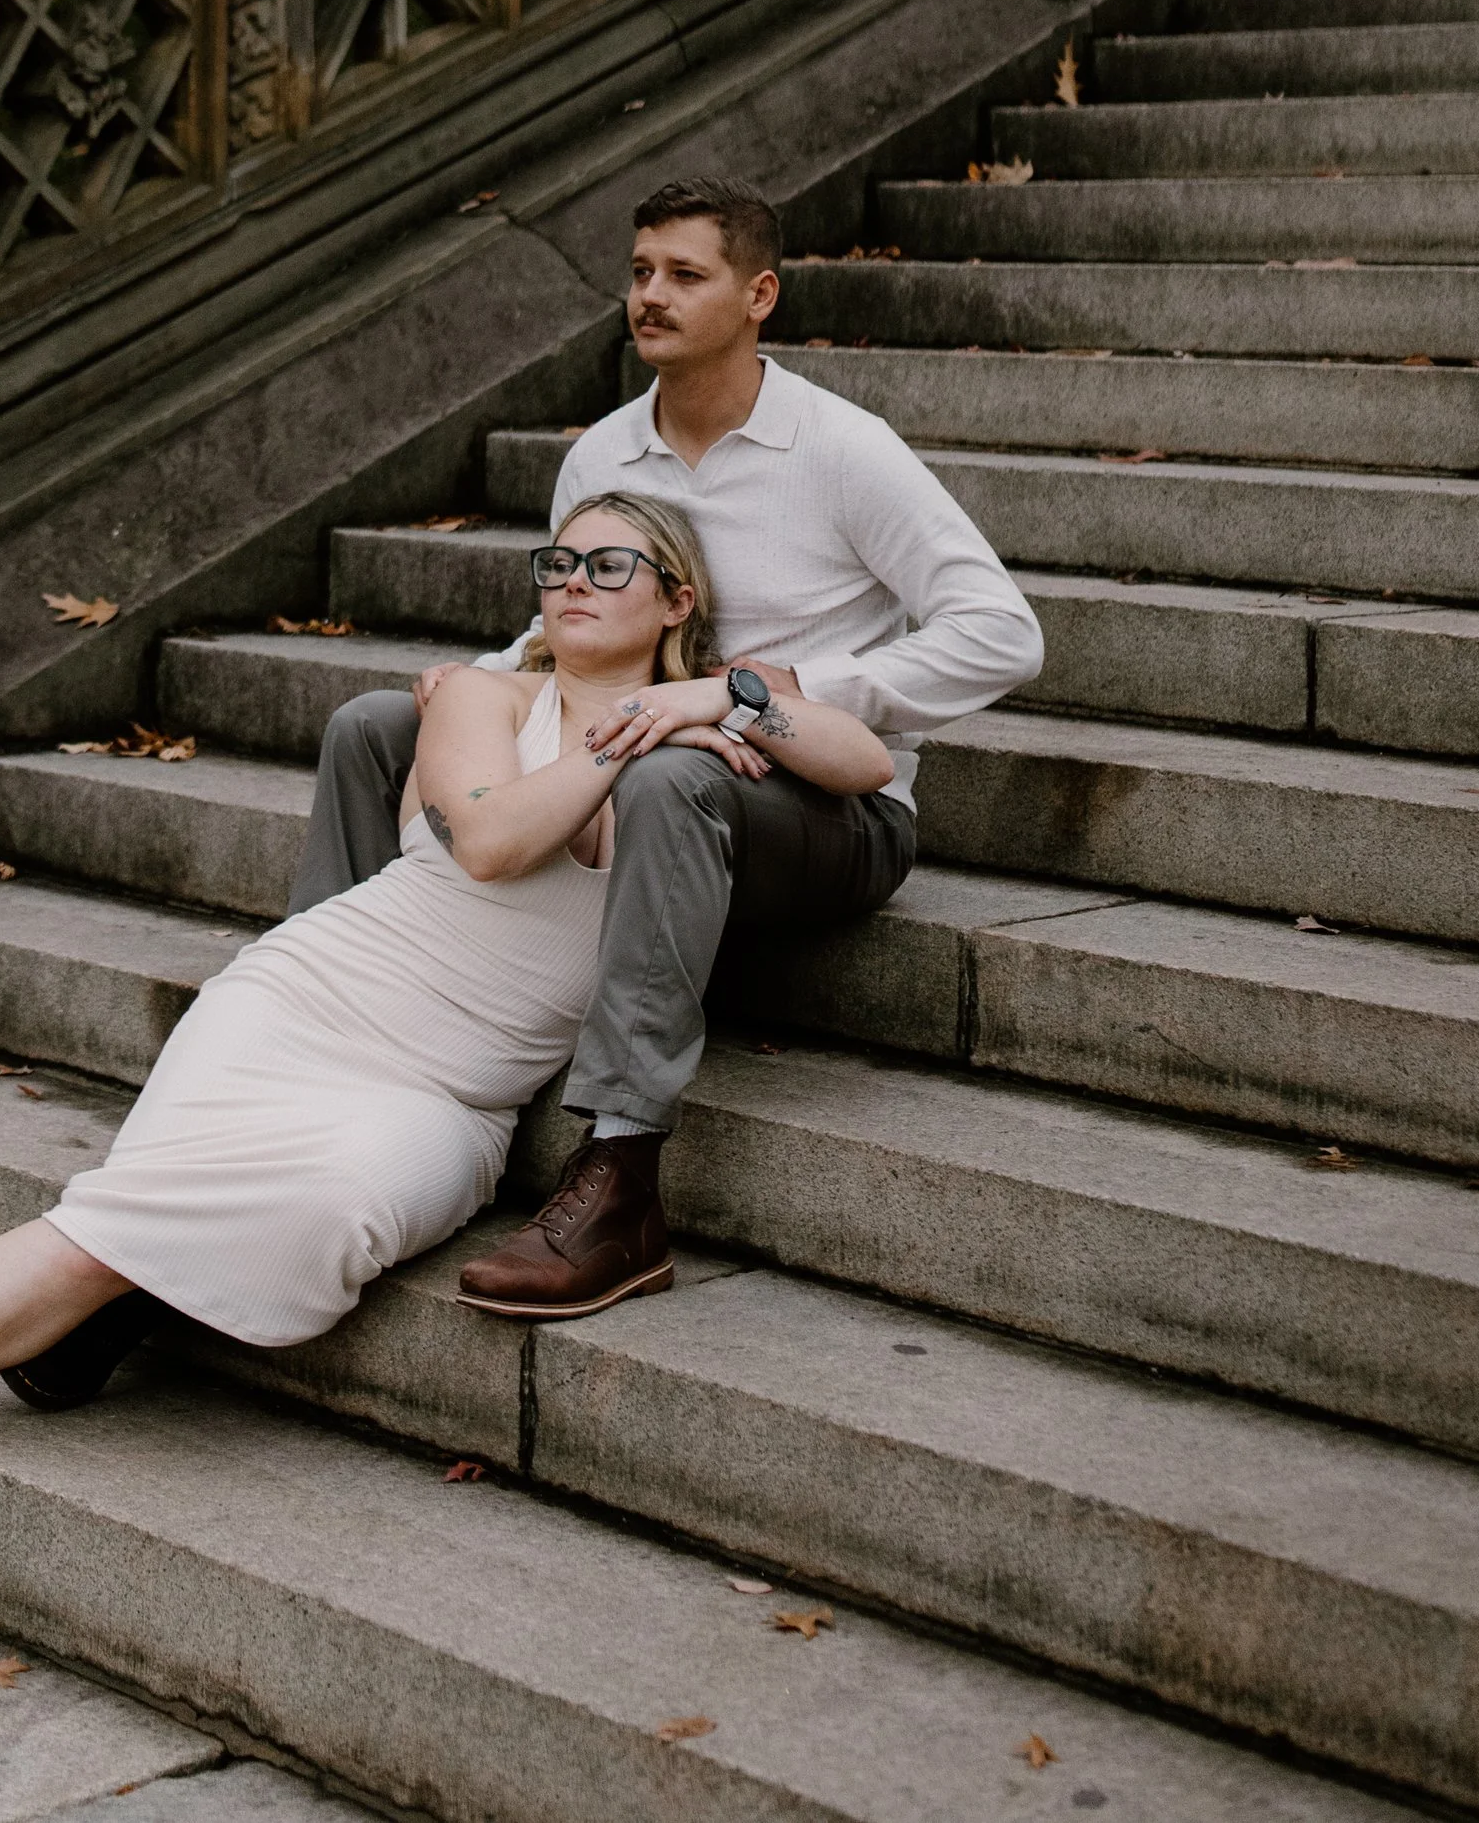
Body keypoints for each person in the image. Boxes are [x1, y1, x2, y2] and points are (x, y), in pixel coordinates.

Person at [0, 490, 889, 1629]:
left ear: (674, 598)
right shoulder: (487, 696)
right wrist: (633, 733)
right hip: (317, 1002)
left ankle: (105, 1310)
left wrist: (709, 699)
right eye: (558, 562)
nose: (573, 582)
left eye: (608, 565)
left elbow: (862, 759)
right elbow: (490, 842)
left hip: (458, 1092)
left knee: (340, 1212)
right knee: (126, 1210)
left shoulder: (721, 709)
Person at [290, 170, 1043, 1324]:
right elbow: (576, 613)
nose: (651, 295)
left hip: (820, 802)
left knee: (676, 770)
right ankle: (326, 1038)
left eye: (685, 275)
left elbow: (1002, 634)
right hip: (643, 753)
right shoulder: (601, 455)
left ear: (758, 297)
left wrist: (778, 691)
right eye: (640, 271)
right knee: (374, 728)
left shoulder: (841, 450)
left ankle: (622, 1177)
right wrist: (485, 681)